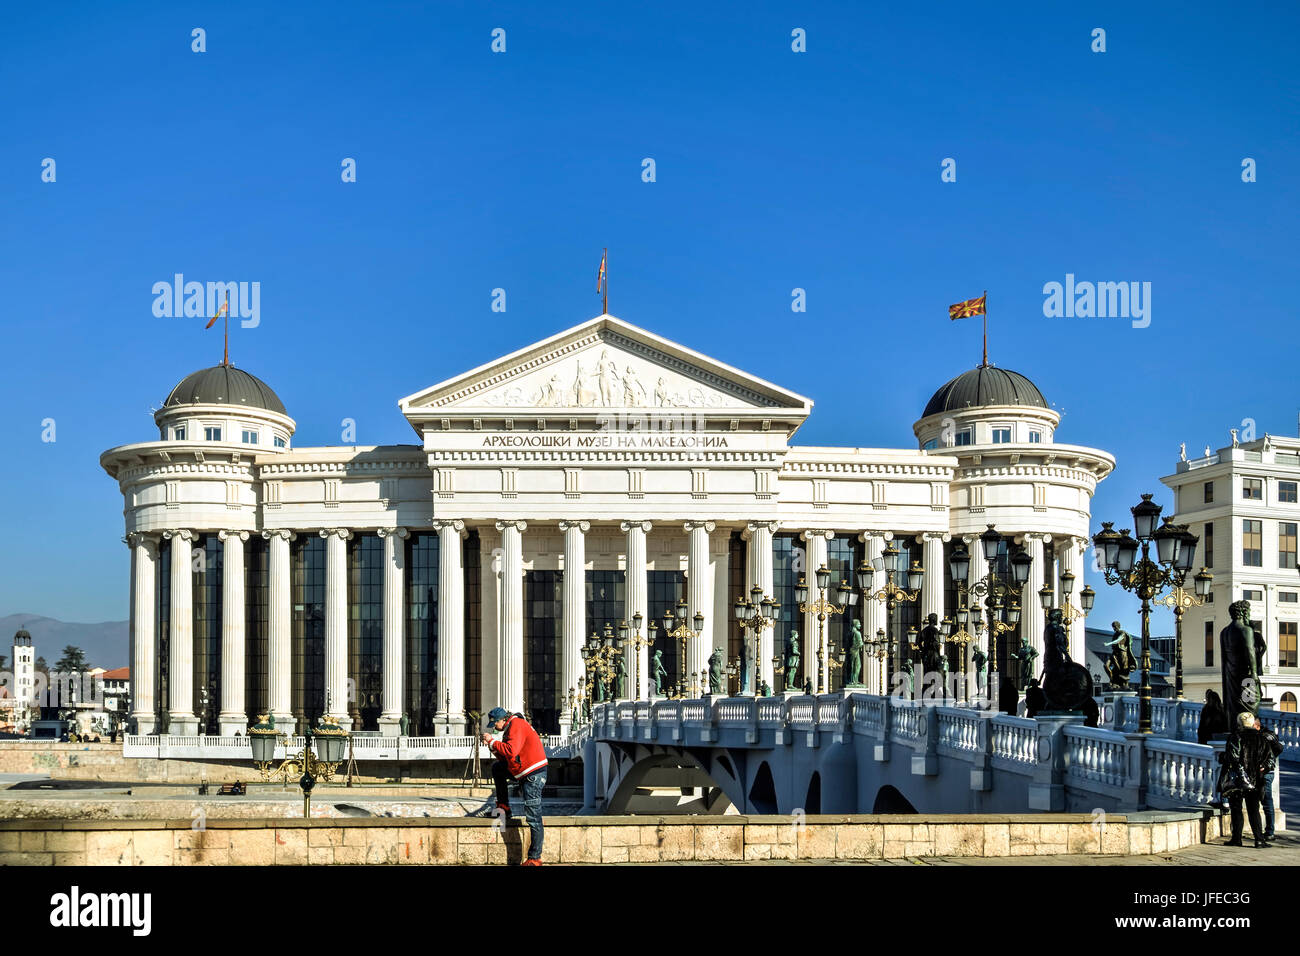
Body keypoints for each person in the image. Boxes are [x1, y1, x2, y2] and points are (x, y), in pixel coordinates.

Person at [468, 706, 548, 865]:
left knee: (533, 817)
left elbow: (511, 751)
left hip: (533, 774)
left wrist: (492, 741)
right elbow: (506, 758)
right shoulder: (510, 727)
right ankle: (503, 806)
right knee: (498, 768)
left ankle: (535, 858)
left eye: (495, 724)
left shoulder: (516, 725)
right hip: (524, 771)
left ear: (502, 720)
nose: (495, 728)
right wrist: (492, 745)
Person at [1221, 711, 1276, 848]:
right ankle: (1259, 840)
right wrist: (1263, 768)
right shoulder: (1262, 738)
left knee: (1236, 808)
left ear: (1239, 723)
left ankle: (1236, 839)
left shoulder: (1235, 737)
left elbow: (1232, 757)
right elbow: (1271, 760)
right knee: (1253, 809)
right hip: (1256, 779)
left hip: (1238, 779)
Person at [1258, 716, 1284, 841]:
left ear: (1257, 725)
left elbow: (1277, 750)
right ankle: (1268, 831)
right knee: (1266, 802)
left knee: (1267, 801)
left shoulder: (1265, 736)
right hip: (1267, 771)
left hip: (1265, 772)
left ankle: (1269, 831)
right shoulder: (1270, 735)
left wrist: (1266, 763)